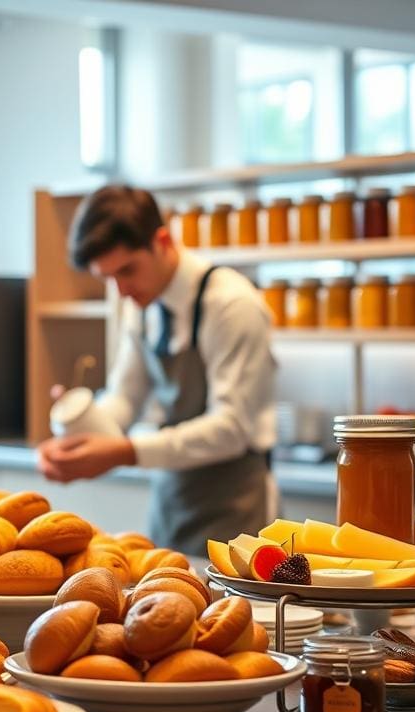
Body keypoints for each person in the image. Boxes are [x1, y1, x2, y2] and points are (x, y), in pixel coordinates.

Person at [36, 185, 276, 553]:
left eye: (127, 270)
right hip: (171, 501)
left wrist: (124, 452)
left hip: (235, 508)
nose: (121, 290)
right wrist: (80, 426)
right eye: (108, 278)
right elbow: (125, 397)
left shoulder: (231, 305)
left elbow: (231, 428)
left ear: (162, 241)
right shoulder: (143, 302)